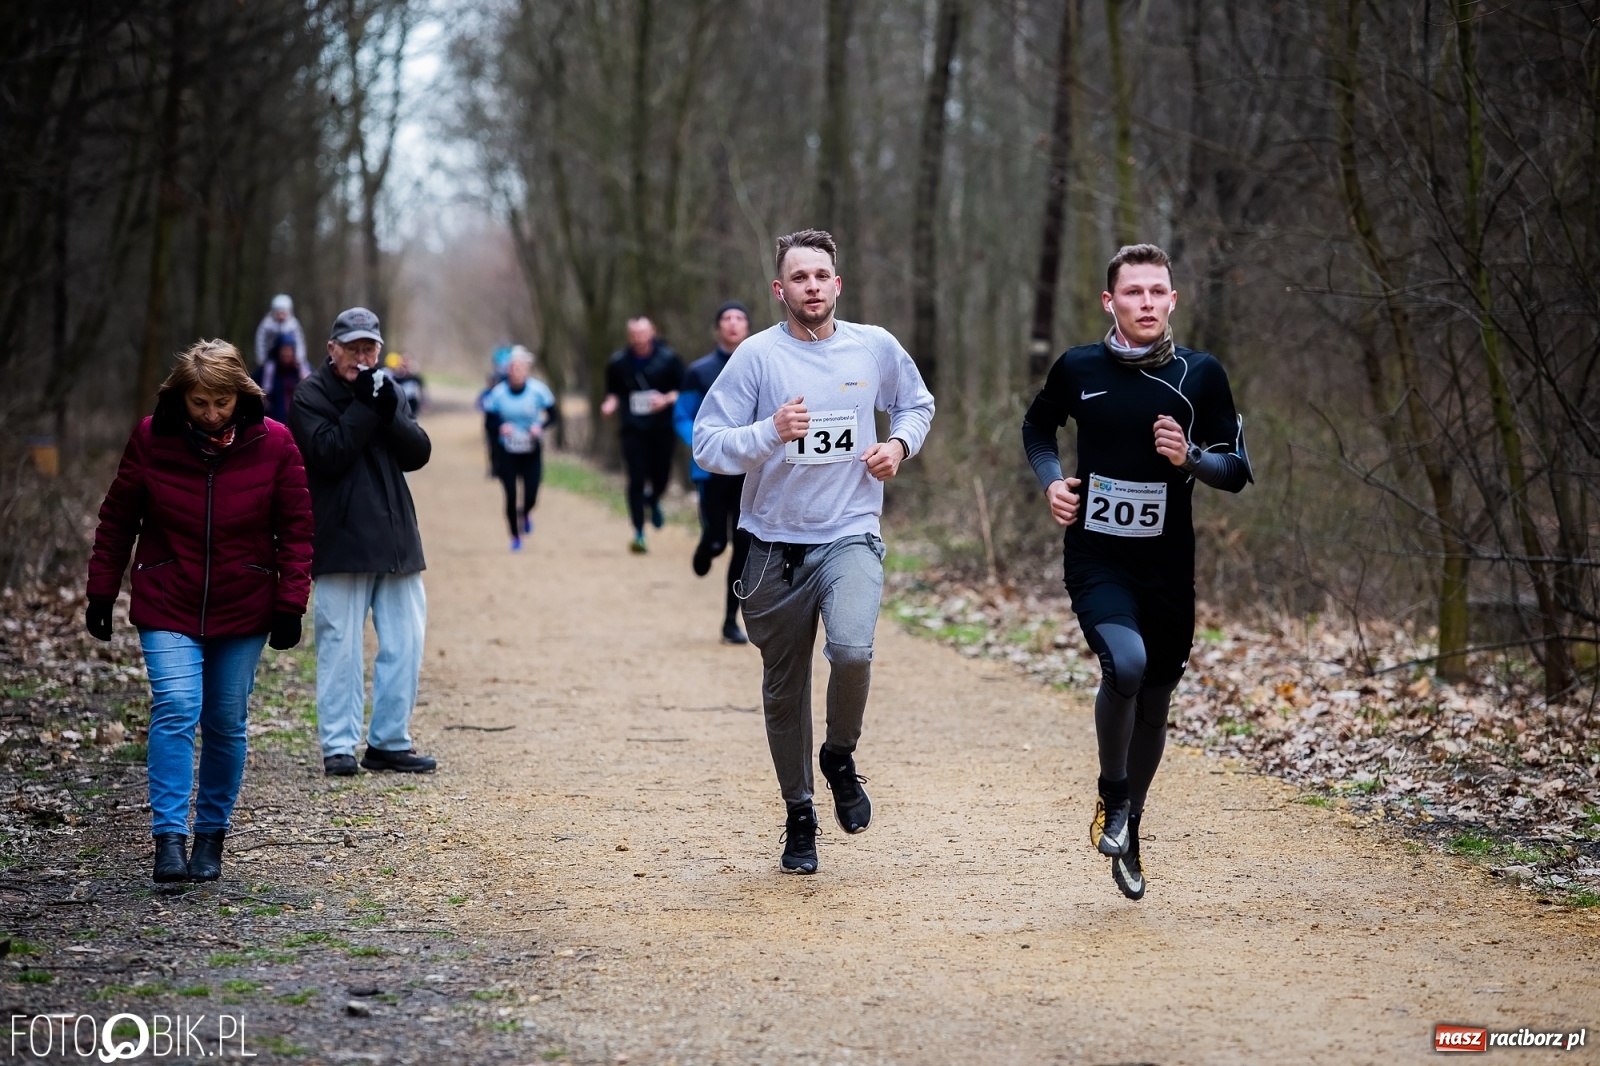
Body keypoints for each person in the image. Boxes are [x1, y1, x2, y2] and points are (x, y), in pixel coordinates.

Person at [693, 229, 935, 875]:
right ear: (781, 289)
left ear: (838, 284)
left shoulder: (874, 346)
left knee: (853, 650)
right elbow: (707, 444)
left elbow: (916, 403)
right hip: (772, 544)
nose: (812, 287)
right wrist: (768, 432)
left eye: (821, 275)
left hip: (850, 531)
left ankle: (839, 755)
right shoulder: (755, 358)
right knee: (785, 689)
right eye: (799, 278)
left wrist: (900, 447)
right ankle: (800, 813)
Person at [1021, 243, 1252, 901]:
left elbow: (1235, 472)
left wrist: (1190, 461)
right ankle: (1111, 795)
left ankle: (1133, 825)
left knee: (1155, 698)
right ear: (1110, 302)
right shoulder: (1079, 368)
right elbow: (1038, 428)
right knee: (1123, 665)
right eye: (1133, 293)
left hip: (1169, 566)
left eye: (1157, 292)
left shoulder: (1200, 375)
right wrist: (1050, 484)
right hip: (1097, 557)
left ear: (1172, 300)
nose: (1145, 303)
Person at [85, 340, 313, 883]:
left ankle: (211, 837)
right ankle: (169, 840)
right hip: (168, 594)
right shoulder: (151, 438)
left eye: (221, 403)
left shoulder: (275, 443)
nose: (211, 415)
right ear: (180, 399)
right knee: (177, 706)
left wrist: (290, 603)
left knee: (226, 721)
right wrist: (101, 589)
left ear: (241, 396)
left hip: (245, 601)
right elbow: (118, 519)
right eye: (199, 403)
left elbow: (298, 530)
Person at [289, 307, 438, 776]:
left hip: (395, 537)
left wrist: (388, 408)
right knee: (340, 646)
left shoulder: (386, 388)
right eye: (352, 347)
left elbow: (418, 452)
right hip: (341, 540)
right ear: (332, 349)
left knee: (406, 642)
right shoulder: (310, 395)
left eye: (369, 347)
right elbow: (328, 454)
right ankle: (338, 745)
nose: (361, 356)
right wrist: (364, 408)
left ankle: (389, 741)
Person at [674, 301, 754, 644]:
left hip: (750, 470)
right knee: (719, 540)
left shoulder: (761, 365)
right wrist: (703, 443)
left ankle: (729, 621)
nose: (733, 324)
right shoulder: (699, 371)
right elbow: (681, 415)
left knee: (744, 546)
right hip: (710, 470)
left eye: (739, 319)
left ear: (748, 327)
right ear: (717, 327)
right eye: (726, 319)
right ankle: (707, 545)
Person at [601, 317, 684, 553]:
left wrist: (666, 399)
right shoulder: (618, 362)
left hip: (661, 428)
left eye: (643, 333)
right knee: (635, 479)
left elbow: (685, 390)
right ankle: (638, 532)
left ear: (653, 332)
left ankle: (653, 498)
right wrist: (610, 404)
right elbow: (613, 392)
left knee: (661, 477)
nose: (638, 338)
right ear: (629, 336)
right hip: (632, 429)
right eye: (634, 334)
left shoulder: (668, 359)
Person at [481, 346, 557, 551]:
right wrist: (501, 427)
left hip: (531, 450)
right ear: (508, 371)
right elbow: (489, 422)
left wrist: (539, 426)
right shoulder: (498, 394)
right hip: (507, 452)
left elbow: (554, 416)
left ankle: (526, 513)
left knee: (531, 493)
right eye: (513, 369)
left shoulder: (539, 391)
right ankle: (515, 536)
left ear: (527, 371)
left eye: (520, 369)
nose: (516, 372)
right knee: (511, 495)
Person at [254, 294, 308, 371]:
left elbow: (299, 340)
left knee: (305, 368)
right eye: (279, 312)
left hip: (291, 354)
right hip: (272, 354)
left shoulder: (293, 324)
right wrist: (261, 358)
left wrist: (299, 357)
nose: (281, 315)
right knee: (268, 370)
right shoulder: (267, 324)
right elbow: (261, 341)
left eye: (284, 312)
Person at [259, 332, 305, 423]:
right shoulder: (267, 372)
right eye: (284, 350)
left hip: (297, 424)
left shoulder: (301, 371)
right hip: (274, 422)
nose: (287, 354)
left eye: (290, 350)